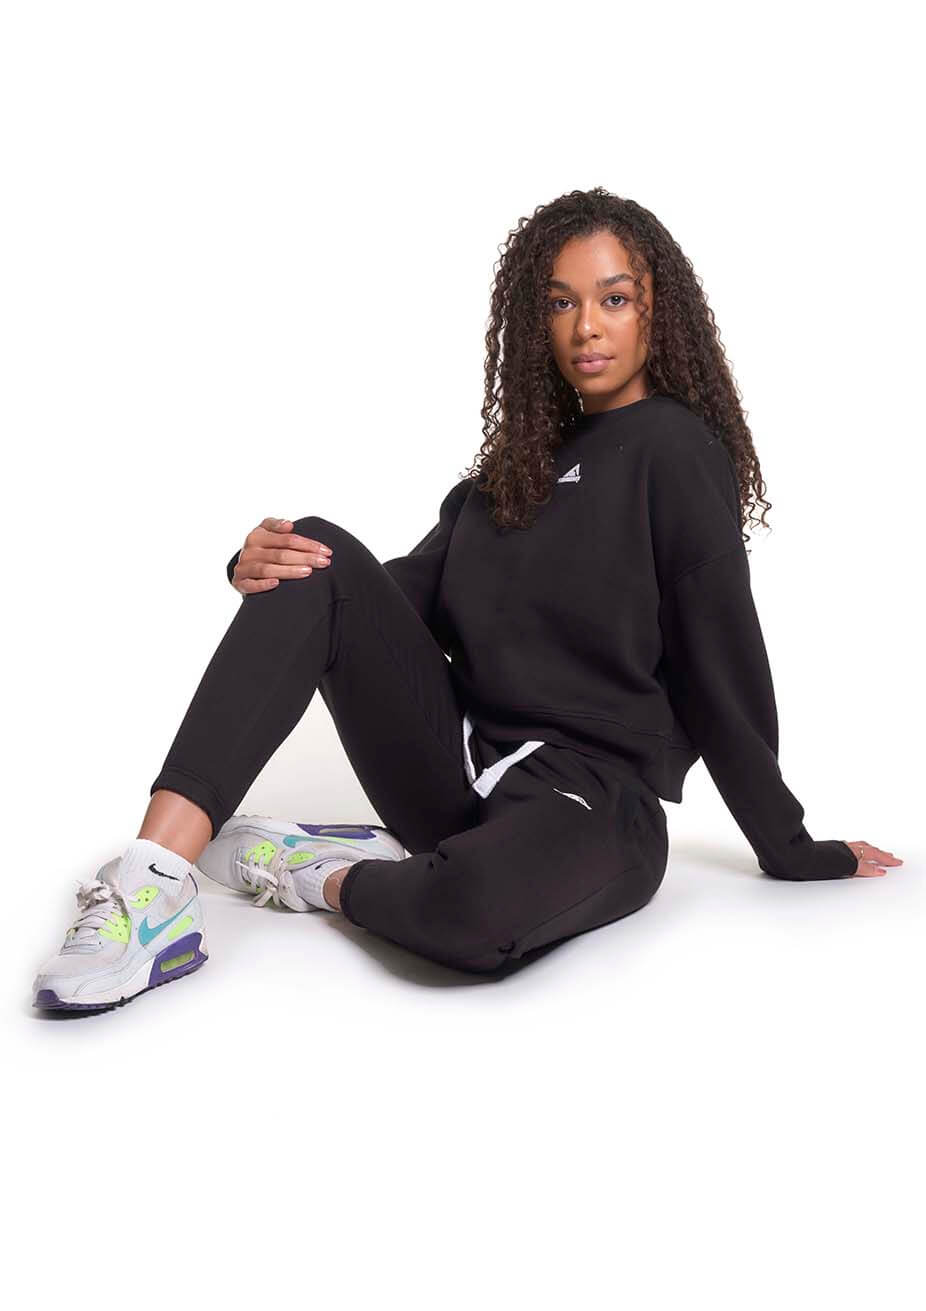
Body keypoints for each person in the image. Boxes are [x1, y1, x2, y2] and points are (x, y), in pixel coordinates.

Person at [32, 187, 902, 1013]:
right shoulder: (510, 474)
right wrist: (262, 567)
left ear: (656, 311)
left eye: (614, 298)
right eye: (561, 303)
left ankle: (313, 872)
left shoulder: (674, 450)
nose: (587, 326)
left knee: (473, 915)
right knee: (314, 549)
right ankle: (151, 883)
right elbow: (392, 599)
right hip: (450, 774)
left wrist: (790, 846)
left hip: (591, 801)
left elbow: (723, 660)